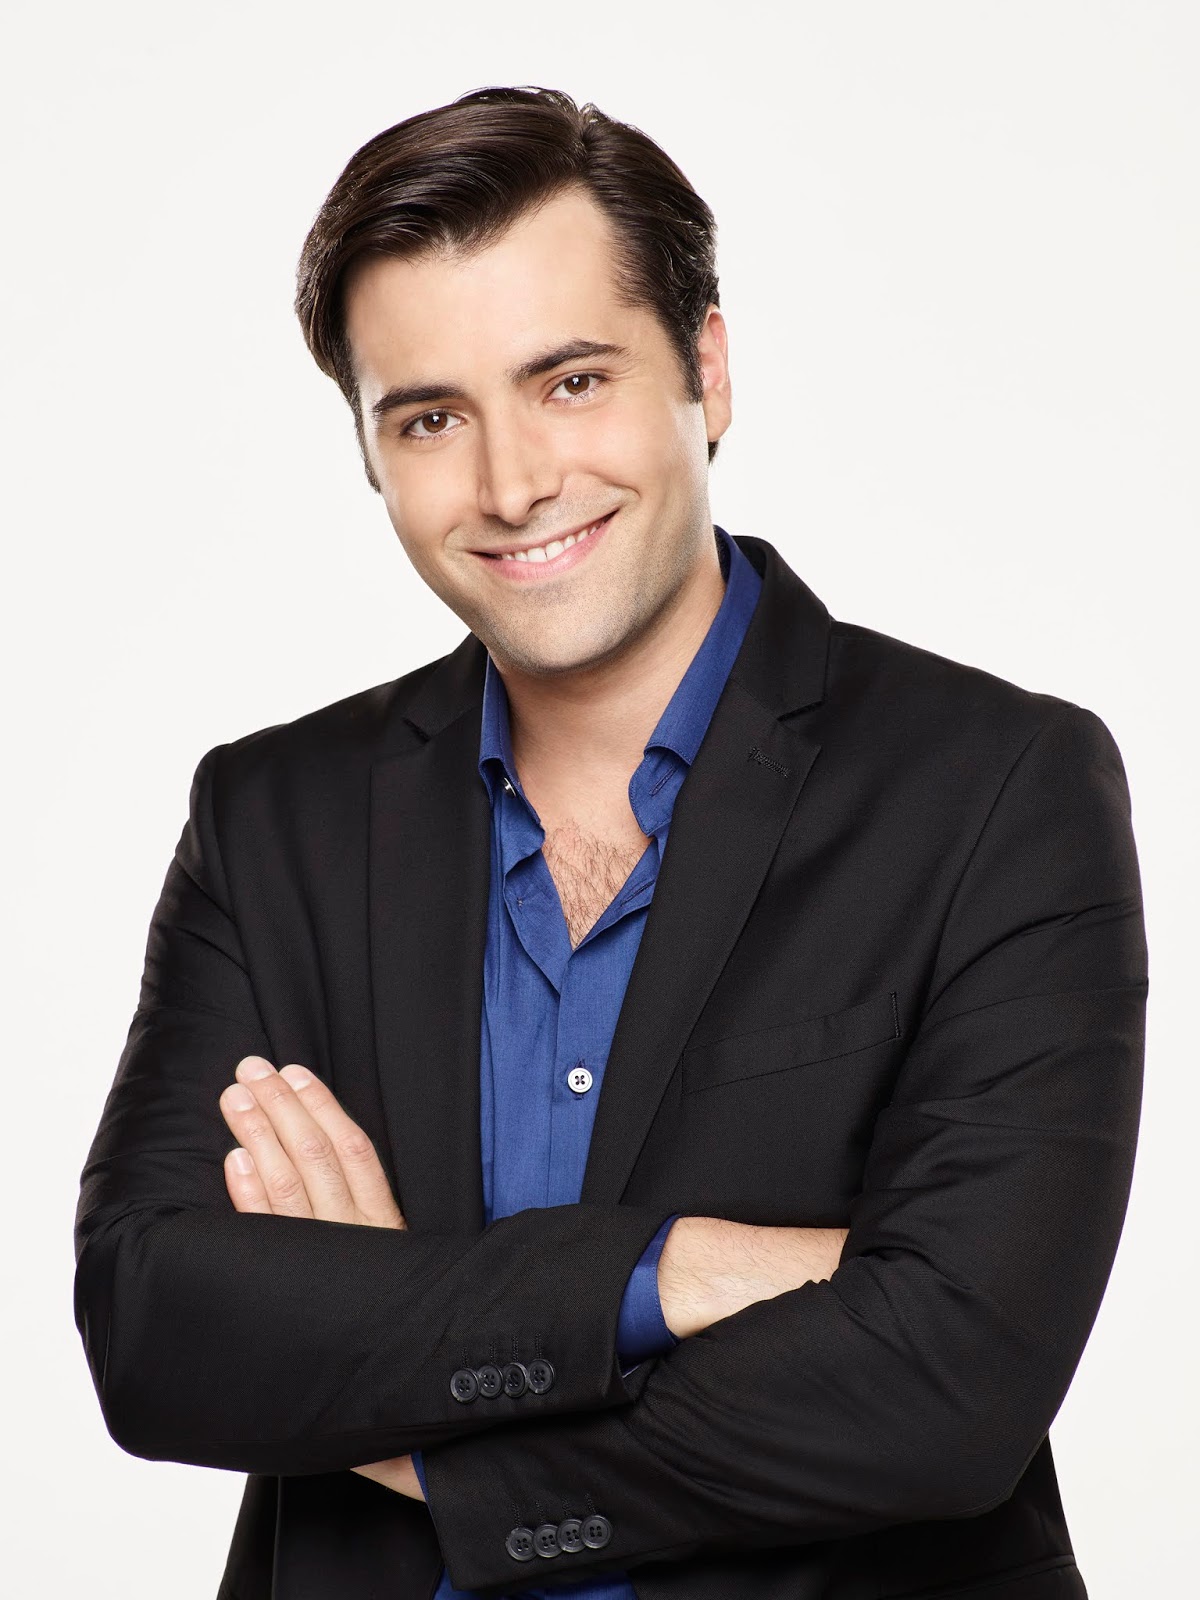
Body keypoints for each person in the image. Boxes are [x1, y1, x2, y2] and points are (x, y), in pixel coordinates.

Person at [73, 86, 1148, 1600]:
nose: (512, 484)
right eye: (430, 418)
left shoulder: (995, 788)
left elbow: (949, 1389)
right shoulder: (274, 816)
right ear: (370, 454)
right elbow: (156, 1332)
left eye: (570, 382)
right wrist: (675, 1270)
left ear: (707, 371)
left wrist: (407, 1410)